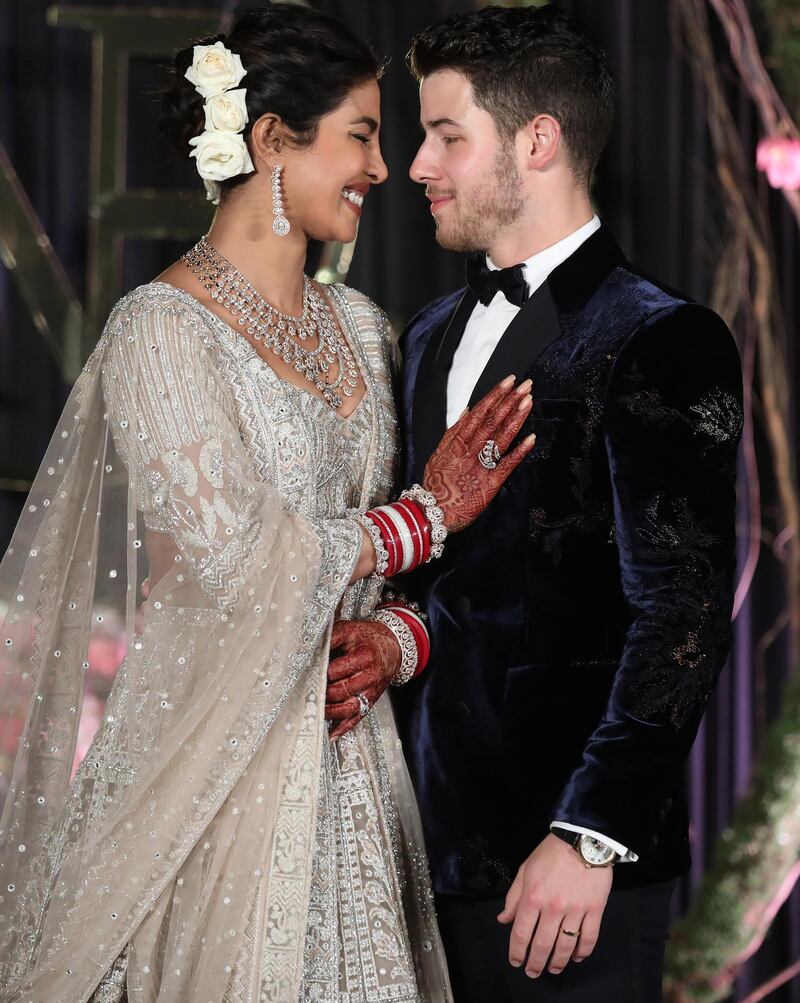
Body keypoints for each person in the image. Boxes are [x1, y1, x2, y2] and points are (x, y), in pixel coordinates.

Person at [0, 6, 536, 1001]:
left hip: (352, 763)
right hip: (210, 769)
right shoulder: (160, 331)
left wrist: (401, 639)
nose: (383, 167)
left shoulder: (365, 327)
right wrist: (424, 514)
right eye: (363, 135)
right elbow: (233, 561)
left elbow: (438, 567)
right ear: (270, 141)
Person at [329, 6, 743, 1002]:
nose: (415, 166)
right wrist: (391, 640)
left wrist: (587, 838)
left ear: (538, 140)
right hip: (419, 860)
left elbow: (678, 616)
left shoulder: (663, 337)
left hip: (563, 877)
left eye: (444, 136)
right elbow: (457, 581)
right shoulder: (427, 334)